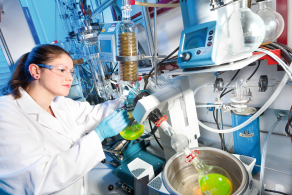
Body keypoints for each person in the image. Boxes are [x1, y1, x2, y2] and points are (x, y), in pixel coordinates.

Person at [0, 44, 129, 195]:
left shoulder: (59, 103)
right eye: (61, 70)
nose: (70, 77)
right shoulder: (6, 114)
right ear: (36, 71)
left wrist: (128, 100)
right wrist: (98, 135)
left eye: (71, 71)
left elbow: (92, 114)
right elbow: (40, 178)